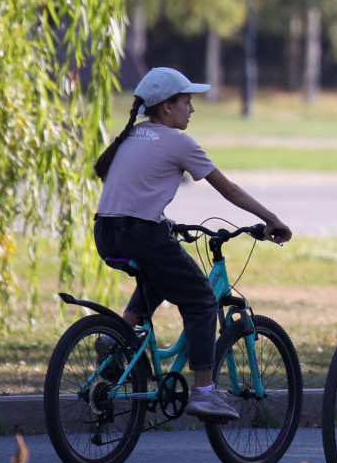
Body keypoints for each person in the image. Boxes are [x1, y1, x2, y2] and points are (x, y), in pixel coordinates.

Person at [92, 67, 292, 421]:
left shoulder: (132, 135)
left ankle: (117, 338)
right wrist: (271, 218)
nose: (192, 109)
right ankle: (203, 393)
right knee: (201, 300)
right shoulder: (179, 142)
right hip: (141, 234)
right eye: (187, 101)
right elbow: (228, 189)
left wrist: (163, 222)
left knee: (159, 276)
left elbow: (135, 189)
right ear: (166, 107)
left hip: (107, 233)